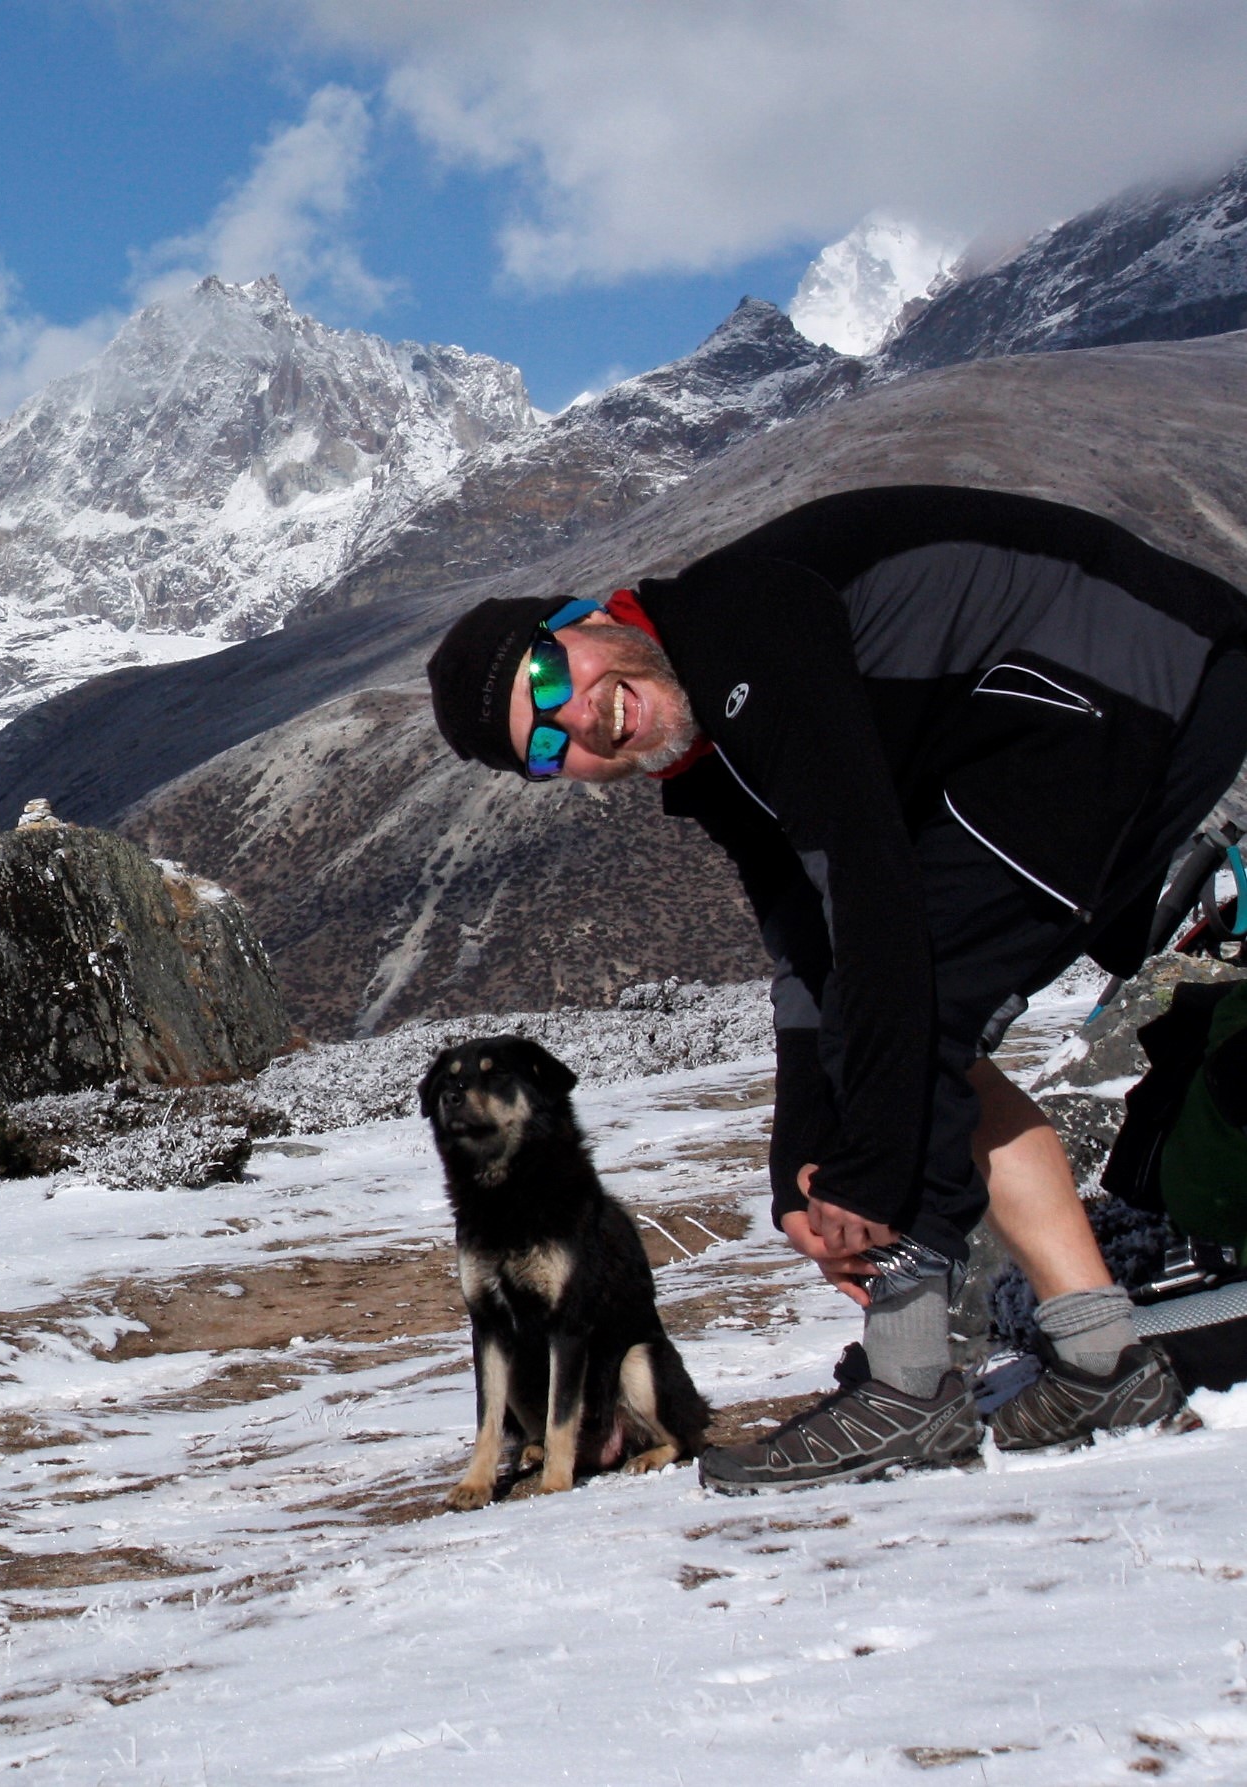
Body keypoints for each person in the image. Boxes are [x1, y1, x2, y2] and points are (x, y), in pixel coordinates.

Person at [425, 485, 1247, 1493]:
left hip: (1132, 668)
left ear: (588, 617)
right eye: (545, 745)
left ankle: (911, 1386)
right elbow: (803, 949)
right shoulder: (709, 752)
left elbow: (868, 883)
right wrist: (796, 1169)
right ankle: (1101, 1357)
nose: (576, 716)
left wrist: (869, 1173)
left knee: (922, 995)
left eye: (550, 672)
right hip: (1066, 706)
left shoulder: (739, 620)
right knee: (906, 1017)